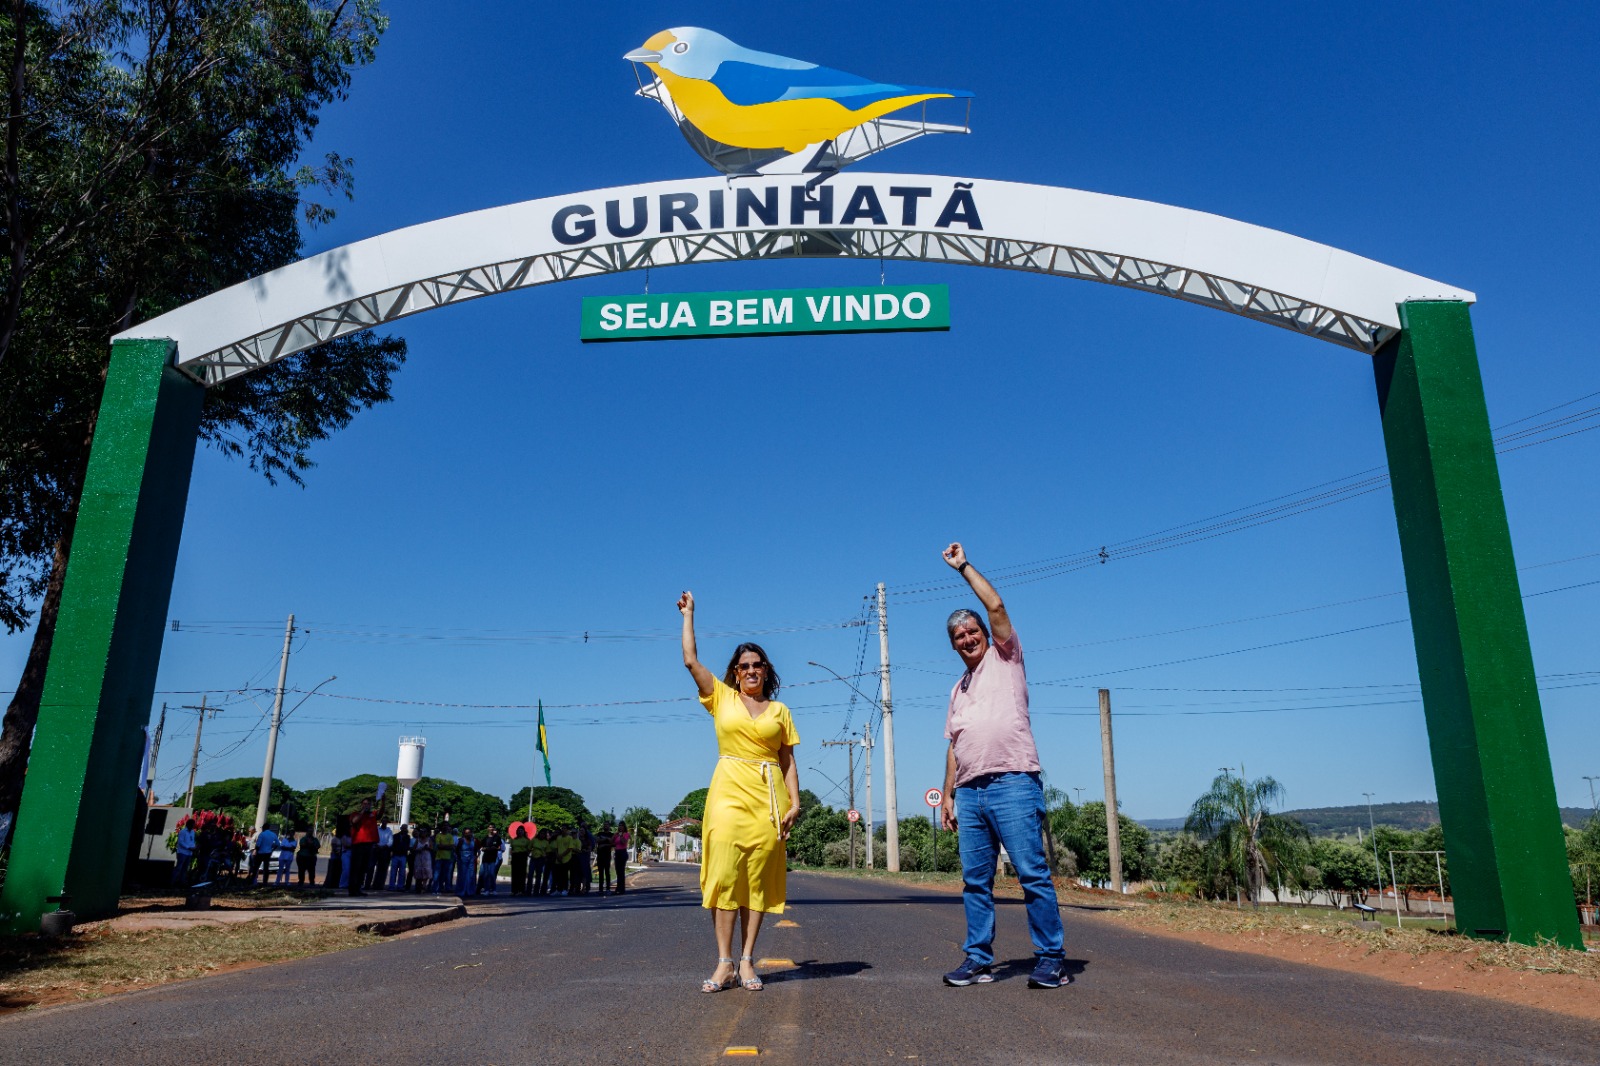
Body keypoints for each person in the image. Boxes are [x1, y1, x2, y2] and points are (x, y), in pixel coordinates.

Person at [937, 542, 1067, 990]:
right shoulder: (958, 688)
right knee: (975, 882)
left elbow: (996, 604)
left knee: (1031, 874)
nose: (968, 638)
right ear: (953, 645)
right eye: (959, 636)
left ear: (986, 634)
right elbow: (955, 744)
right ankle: (978, 961)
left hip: (1012, 782)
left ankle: (1051, 958)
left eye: (973, 631)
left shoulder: (1006, 658)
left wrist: (963, 568)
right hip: (970, 794)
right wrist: (949, 795)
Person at [678, 590, 801, 993]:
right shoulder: (721, 698)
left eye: (757, 665)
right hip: (728, 792)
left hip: (768, 798)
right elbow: (690, 661)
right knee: (726, 875)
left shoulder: (780, 712)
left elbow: (787, 761)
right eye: (744, 665)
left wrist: (795, 801)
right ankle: (723, 962)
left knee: (757, 880)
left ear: (766, 670)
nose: (750, 670)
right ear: (735, 672)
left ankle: (747, 960)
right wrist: (690, 615)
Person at [347, 797, 382, 897]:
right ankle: (352, 890)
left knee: (363, 869)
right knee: (355, 868)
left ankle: (358, 888)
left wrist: (383, 801)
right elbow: (354, 821)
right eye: (365, 804)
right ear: (362, 805)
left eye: (368, 804)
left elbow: (380, 813)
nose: (367, 805)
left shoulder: (373, 815)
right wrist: (362, 812)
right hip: (358, 845)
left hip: (369, 844)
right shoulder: (355, 814)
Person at [172, 818, 197, 888]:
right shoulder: (183, 832)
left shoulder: (192, 832)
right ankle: (172, 881)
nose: (193, 826)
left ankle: (182, 882)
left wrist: (194, 847)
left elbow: (192, 841)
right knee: (179, 867)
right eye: (192, 825)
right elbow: (181, 842)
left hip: (189, 853)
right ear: (188, 824)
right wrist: (188, 847)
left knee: (185, 868)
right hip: (182, 852)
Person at [432, 822, 457, 894]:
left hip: (448, 858)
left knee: (444, 875)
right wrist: (447, 846)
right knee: (436, 875)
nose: (445, 827)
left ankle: (439, 889)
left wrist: (443, 846)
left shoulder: (450, 836)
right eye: (444, 826)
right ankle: (435, 890)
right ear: (441, 827)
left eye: (447, 826)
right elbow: (438, 846)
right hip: (439, 858)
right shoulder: (438, 836)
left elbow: (452, 847)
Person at [478, 826, 503, 895]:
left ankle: (493, 889)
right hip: (486, 858)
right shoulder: (485, 838)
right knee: (486, 874)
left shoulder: (497, 838)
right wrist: (485, 848)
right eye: (490, 827)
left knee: (492, 874)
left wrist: (494, 848)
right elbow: (481, 847)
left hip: (493, 858)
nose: (491, 829)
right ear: (488, 829)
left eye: (493, 828)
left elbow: (500, 847)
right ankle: (486, 890)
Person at [509, 824, 532, 895]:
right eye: (519, 831)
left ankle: (521, 890)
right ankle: (514, 890)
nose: (520, 832)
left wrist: (526, 853)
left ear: (524, 832)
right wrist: (511, 853)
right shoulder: (513, 840)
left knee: (522, 873)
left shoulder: (527, 840)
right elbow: (511, 848)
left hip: (522, 856)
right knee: (514, 873)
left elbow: (529, 849)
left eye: (521, 830)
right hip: (515, 856)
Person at [388, 823, 412, 890]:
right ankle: (391, 886)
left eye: (405, 828)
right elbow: (392, 845)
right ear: (401, 828)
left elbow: (407, 846)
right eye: (403, 828)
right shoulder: (395, 836)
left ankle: (400, 886)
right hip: (395, 855)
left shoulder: (407, 837)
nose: (404, 829)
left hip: (403, 855)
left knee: (402, 873)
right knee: (393, 872)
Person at [411, 825, 434, 894]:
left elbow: (432, 848)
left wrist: (427, 848)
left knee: (426, 871)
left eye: (424, 832)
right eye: (422, 832)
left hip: (426, 857)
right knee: (418, 872)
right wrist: (419, 849)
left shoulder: (429, 840)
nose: (423, 834)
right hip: (419, 857)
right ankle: (418, 887)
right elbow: (413, 849)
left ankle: (424, 886)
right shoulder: (417, 840)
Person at [594, 821, 614, 895]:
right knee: (601, 873)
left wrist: (604, 844)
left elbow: (613, 843)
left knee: (607, 873)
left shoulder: (611, 834)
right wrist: (606, 840)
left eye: (607, 825)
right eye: (604, 825)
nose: (605, 826)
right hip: (600, 856)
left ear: (609, 826)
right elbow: (597, 840)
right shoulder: (600, 833)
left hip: (607, 856)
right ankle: (600, 889)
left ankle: (608, 889)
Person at [611, 821, 630, 895]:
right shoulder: (616, 834)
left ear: (624, 827)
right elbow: (611, 842)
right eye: (619, 825)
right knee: (618, 872)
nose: (620, 827)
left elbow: (624, 842)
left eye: (622, 825)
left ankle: (621, 889)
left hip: (623, 852)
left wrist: (621, 835)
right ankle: (618, 888)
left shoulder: (626, 834)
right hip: (617, 853)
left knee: (621, 872)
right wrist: (615, 835)